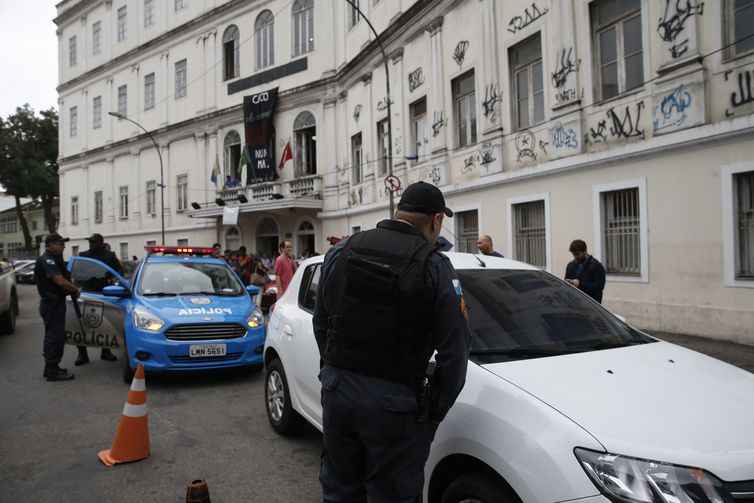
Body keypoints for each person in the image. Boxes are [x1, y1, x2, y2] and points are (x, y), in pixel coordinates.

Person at [313, 181, 471, 502]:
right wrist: (434, 410)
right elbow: (455, 351)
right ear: (436, 219)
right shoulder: (435, 265)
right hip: (395, 402)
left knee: (340, 490)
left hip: (338, 392)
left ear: (399, 211)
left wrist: (333, 372)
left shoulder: (343, 250)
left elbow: (321, 321)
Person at [35, 233, 80, 382]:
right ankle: (51, 370)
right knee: (54, 337)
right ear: (51, 245)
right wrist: (75, 289)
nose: (63, 246)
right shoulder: (47, 259)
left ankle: (52, 367)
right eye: (60, 244)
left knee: (57, 336)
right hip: (51, 304)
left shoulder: (55, 259)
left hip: (55, 303)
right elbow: (59, 281)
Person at [75, 233, 123, 365]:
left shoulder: (110, 255)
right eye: (90, 242)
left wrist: (114, 281)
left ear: (101, 243)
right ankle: (82, 354)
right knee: (81, 325)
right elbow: (77, 273)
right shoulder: (83, 255)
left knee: (105, 323)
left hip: (104, 292)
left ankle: (106, 351)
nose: (91, 244)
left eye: (94, 242)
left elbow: (119, 271)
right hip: (86, 292)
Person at [565, 239, 606, 303]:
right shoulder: (570, 265)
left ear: (585, 251)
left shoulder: (597, 266)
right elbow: (567, 282)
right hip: (574, 304)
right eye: (573, 254)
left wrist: (580, 284)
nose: (575, 257)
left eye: (577, 254)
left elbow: (599, 287)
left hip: (591, 305)